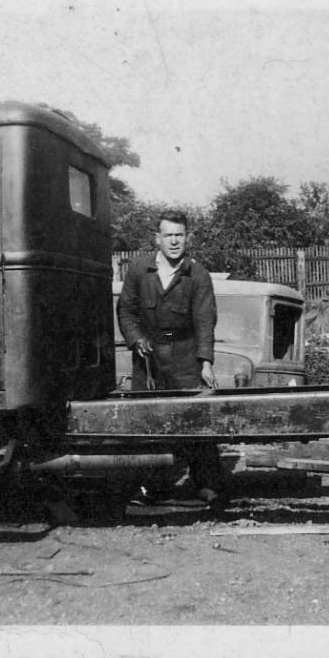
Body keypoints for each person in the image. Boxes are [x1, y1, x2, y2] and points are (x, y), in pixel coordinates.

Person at [117, 210, 228, 510]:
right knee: (149, 422)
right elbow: (126, 311)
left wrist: (205, 362)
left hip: (185, 356)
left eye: (179, 235)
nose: (174, 241)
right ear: (158, 238)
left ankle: (207, 484)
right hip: (149, 359)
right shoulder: (140, 270)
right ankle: (149, 488)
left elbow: (206, 320)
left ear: (187, 237)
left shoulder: (197, 273)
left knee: (197, 419)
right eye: (169, 235)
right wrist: (135, 339)